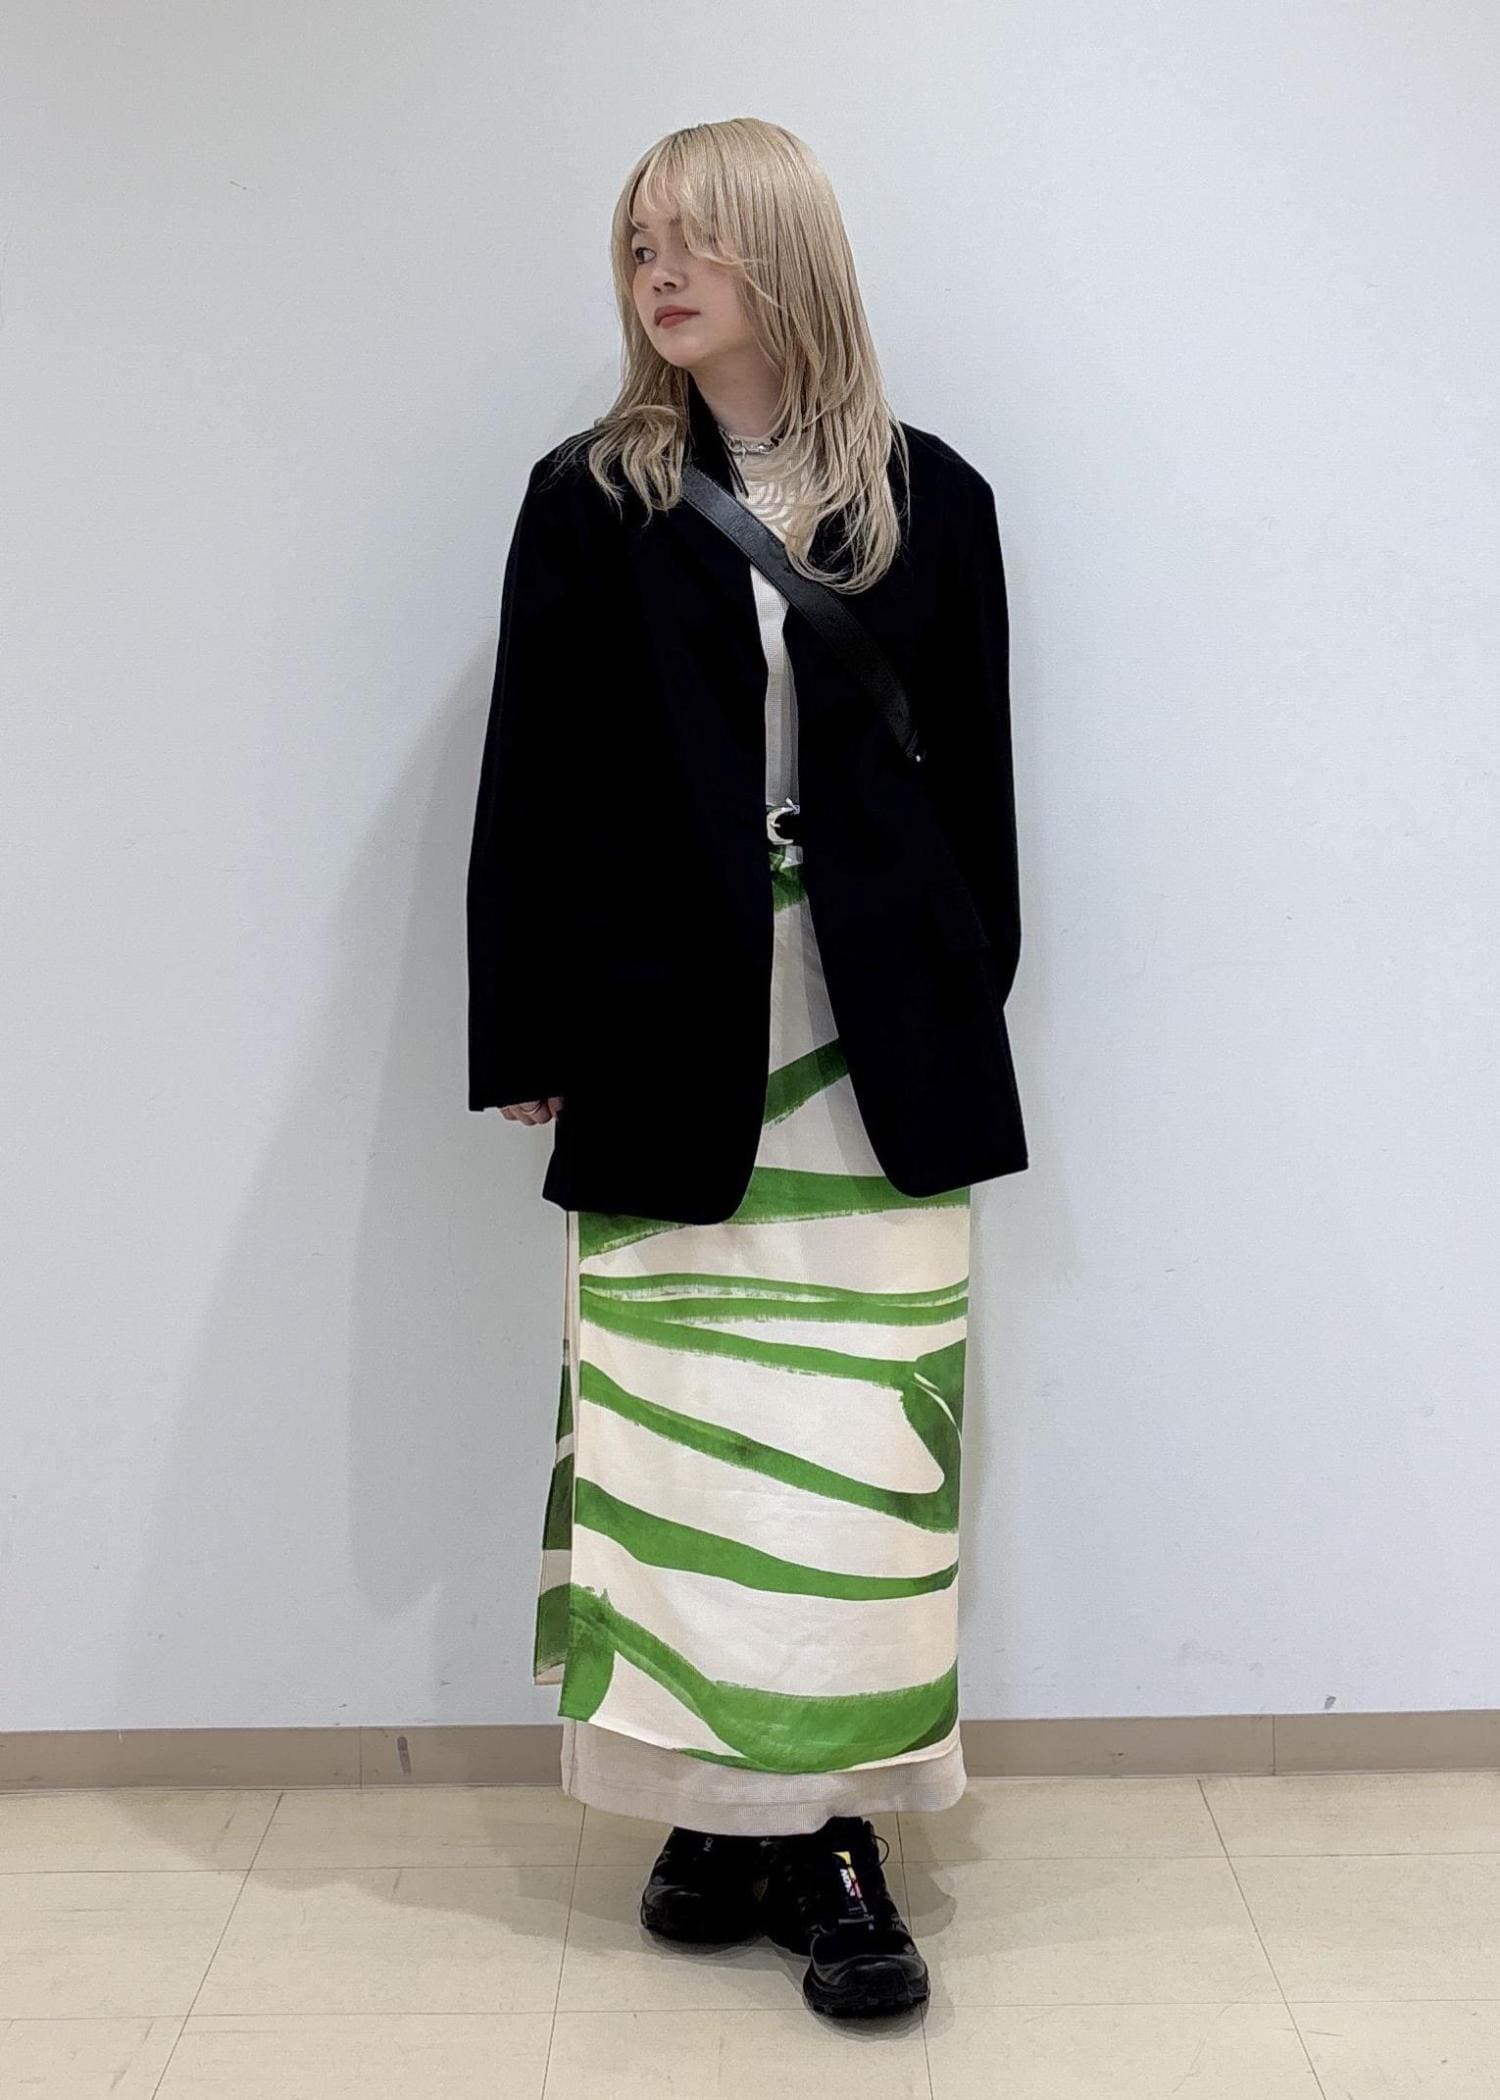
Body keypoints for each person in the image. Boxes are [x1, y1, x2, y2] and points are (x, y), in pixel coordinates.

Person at [466, 117, 1027, 2021]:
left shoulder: (935, 500)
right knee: (676, 1441)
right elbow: (534, 780)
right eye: (638, 246)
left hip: (874, 1052)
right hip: (659, 1029)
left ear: (785, 253)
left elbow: (980, 788)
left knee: (864, 1457)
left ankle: (838, 1835)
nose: (659, 275)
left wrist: (965, 1000)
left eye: (694, 240)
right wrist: (527, 1028)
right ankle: (710, 1818)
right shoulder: (588, 498)